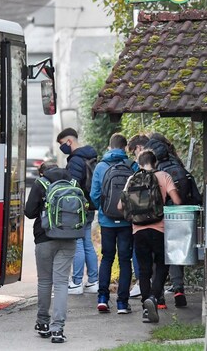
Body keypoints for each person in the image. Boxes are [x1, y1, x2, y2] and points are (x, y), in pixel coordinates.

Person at [117, 150, 182, 323]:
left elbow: (119, 206)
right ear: (156, 162)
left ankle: (147, 309)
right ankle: (154, 297)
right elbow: (177, 201)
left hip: (138, 231)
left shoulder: (132, 179)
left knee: (144, 270)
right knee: (162, 264)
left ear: (139, 164)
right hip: (159, 229)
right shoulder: (164, 176)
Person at [25, 161, 76, 343]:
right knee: (62, 283)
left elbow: (29, 212)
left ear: (42, 173)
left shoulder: (41, 184)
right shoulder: (72, 182)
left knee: (45, 281)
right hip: (69, 237)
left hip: (44, 238)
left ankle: (43, 323)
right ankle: (58, 329)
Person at [145, 133, 197, 308]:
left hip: (157, 218)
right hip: (179, 216)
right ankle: (178, 288)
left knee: (157, 256)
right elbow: (193, 196)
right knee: (176, 252)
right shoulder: (178, 165)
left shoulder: (155, 172)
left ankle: (159, 298)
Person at [90, 133, 138, 314]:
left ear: (109, 147)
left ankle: (102, 298)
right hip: (126, 221)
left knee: (107, 257)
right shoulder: (132, 166)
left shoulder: (101, 166)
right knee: (125, 260)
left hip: (107, 221)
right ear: (125, 148)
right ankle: (122, 303)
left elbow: (94, 195)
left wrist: (103, 210)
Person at [56, 128, 99, 295]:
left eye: (61, 144)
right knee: (88, 243)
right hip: (89, 206)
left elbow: (72, 186)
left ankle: (77, 282)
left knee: (78, 244)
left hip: (78, 208)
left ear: (69, 141)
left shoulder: (75, 160)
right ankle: (93, 281)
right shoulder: (91, 156)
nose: (62, 148)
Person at [126, 134, 150, 299]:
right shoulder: (159, 169)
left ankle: (142, 285)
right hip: (158, 219)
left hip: (140, 220)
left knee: (139, 252)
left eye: (134, 152)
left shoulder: (136, 170)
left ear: (139, 149)